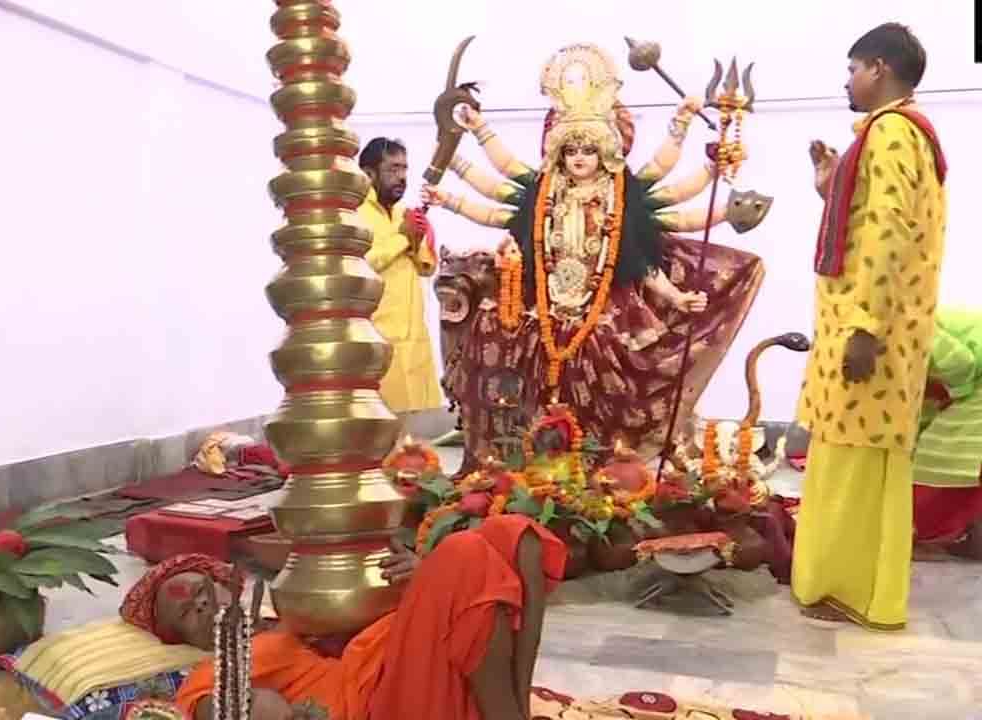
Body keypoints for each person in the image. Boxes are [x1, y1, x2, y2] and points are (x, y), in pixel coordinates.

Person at [421, 43, 765, 465]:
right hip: (544, 310)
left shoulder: (621, 196)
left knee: (605, 373)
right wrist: (451, 189)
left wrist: (676, 297)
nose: (579, 158)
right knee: (501, 343)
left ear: (603, 152)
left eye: (587, 150)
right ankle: (528, 462)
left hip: (604, 314)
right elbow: (496, 199)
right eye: (571, 151)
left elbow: (643, 259)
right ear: (559, 153)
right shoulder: (542, 192)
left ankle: (601, 468)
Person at [791, 22, 948, 630]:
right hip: (879, 325)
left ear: (879, 68)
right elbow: (871, 223)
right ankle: (853, 586)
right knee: (853, 457)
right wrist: (832, 188)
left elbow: (887, 234)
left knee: (852, 462)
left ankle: (848, 589)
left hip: (871, 332)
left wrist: (864, 327)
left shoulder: (891, 134)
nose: (848, 81)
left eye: (853, 68)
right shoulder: (899, 135)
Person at [121, 516, 567, 720]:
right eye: (186, 613)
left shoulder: (294, 609)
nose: (201, 606)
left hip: (417, 662)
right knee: (466, 552)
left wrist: (423, 577)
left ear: (227, 584)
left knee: (515, 536)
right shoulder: (220, 664)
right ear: (181, 638)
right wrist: (260, 708)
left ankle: (514, 709)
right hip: (381, 703)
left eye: (203, 592)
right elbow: (211, 705)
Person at [356, 137, 444, 414]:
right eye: (393, 169)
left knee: (421, 431)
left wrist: (419, 237)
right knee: (383, 427)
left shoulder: (404, 213)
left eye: (405, 168)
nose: (402, 177)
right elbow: (360, 265)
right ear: (369, 173)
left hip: (415, 341)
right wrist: (403, 238)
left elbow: (427, 268)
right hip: (376, 343)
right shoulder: (353, 214)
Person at [912, 308, 982, 558]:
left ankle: (948, 531)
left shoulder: (908, 325)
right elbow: (924, 413)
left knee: (946, 460)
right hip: (970, 379)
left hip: (971, 378)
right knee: (964, 460)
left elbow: (961, 365)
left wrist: (957, 394)